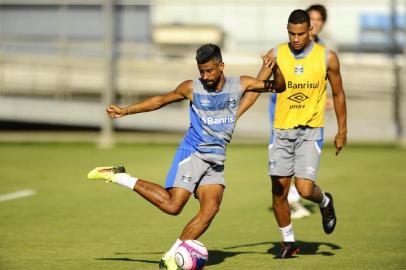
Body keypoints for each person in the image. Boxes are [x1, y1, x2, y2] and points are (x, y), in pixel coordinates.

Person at [87, 44, 285, 270]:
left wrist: (277, 68)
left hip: (216, 160)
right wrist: (125, 111)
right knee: (173, 207)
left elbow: (279, 87)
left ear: (221, 67)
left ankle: (171, 257)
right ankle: (119, 176)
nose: (205, 76)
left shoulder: (240, 84)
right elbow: (159, 101)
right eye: (201, 71)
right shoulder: (191, 88)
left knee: (210, 209)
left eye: (209, 70)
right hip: (193, 154)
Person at [237, 9, 347, 259]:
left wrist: (342, 130)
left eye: (300, 33)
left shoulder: (327, 57)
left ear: (310, 31)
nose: (296, 38)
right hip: (282, 132)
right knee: (278, 190)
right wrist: (234, 116)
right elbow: (255, 88)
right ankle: (288, 241)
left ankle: (325, 202)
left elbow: (339, 94)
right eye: (291, 33)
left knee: (305, 190)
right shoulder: (276, 54)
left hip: (310, 131)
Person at [287, 3, 331, 219]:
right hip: (283, 113)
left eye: (318, 20)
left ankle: (299, 197)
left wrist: (325, 98)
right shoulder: (287, 48)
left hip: (310, 119)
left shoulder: (324, 52)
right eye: (311, 19)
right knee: (283, 169)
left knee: (303, 175)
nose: (314, 24)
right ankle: (291, 205)